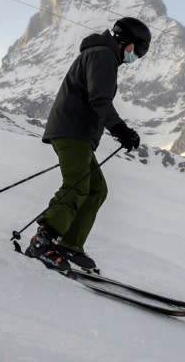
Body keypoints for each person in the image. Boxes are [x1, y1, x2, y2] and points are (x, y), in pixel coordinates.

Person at [25, 17, 152, 272]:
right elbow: (99, 100)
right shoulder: (103, 56)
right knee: (78, 185)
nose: (136, 57)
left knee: (96, 189)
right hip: (72, 130)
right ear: (126, 43)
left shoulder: (103, 55)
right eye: (137, 50)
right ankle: (42, 241)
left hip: (77, 132)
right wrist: (121, 130)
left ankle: (70, 245)